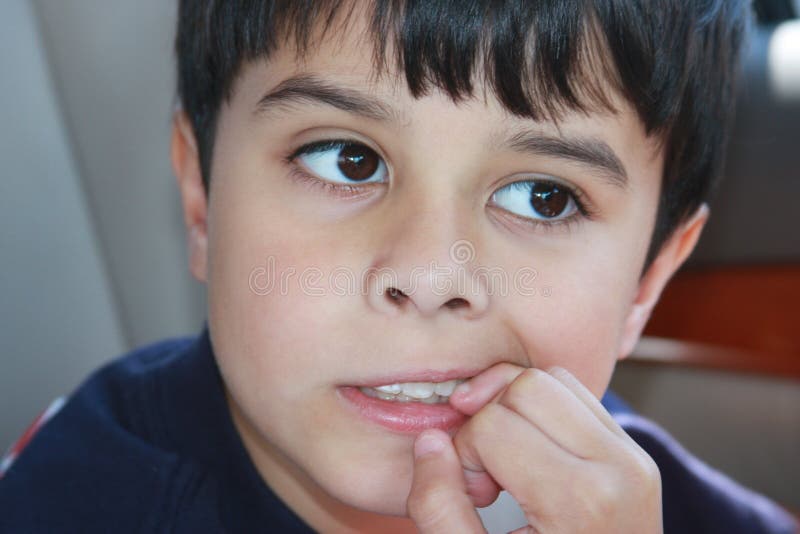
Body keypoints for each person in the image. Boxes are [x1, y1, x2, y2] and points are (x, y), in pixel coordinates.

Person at [1, 1, 797, 532]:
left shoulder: (650, 509)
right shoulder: (76, 491)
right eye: (348, 161)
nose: (430, 272)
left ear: (647, 283)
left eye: (543, 198)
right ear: (202, 197)